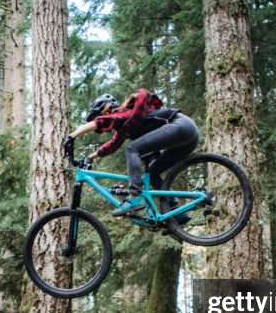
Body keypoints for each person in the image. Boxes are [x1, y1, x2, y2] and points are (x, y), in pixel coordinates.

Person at [64, 88, 199, 217]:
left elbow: (102, 122)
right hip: (188, 139)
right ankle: (177, 211)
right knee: (153, 173)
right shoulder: (125, 126)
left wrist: (72, 136)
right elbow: (111, 146)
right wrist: (90, 157)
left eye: (97, 116)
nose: (96, 123)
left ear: (105, 111)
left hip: (181, 125)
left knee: (132, 149)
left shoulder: (122, 112)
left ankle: (135, 196)